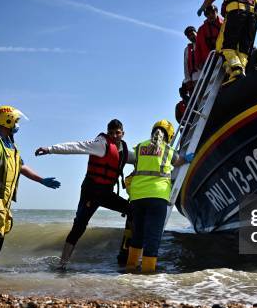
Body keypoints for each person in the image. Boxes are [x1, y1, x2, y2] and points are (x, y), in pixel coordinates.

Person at [0, 105, 61, 272]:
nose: (17, 124)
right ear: (7, 120)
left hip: (3, 197)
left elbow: (21, 167)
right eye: (16, 120)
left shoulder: (10, 143)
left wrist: (41, 180)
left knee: (0, 230)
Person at [35, 119, 135, 268]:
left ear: (123, 133)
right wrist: (50, 149)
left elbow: (139, 159)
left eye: (117, 133)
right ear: (108, 133)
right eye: (111, 133)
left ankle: (126, 253)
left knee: (132, 210)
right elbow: (76, 147)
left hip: (107, 193)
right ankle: (63, 264)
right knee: (79, 226)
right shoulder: (100, 144)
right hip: (91, 192)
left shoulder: (124, 150)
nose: (114, 135)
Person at [125, 120, 193, 273]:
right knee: (152, 238)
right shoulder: (168, 150)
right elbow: (178, 161)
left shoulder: (140, 146)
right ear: (169, 136)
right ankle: (148, 274)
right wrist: (187, 159)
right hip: (157, 196)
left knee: (137, 236)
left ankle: (130, 268)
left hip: (137, 196)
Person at [197, 0, 257, 84]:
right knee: (243, 50)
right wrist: (253, 23)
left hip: (236, 14)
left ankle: (236, 70)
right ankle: (238, 73)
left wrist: (202, 8)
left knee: (227, 46)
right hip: (252, 18)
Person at [195, 4, 224, 70]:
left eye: (212, 12)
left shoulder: (225, 24)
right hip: (209, 61)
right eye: (207, 13)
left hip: (225, 57)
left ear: (216, 12)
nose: (210, 15)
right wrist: (198, 62)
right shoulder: (201, 29)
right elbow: (198, 47)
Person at [183, 26, 199, 95]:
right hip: (195, 78)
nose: (191, 37)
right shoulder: (187, 50)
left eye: (192, 34)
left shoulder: (204, 42)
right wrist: (188, 80)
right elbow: (186, 66)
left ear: (196, 33)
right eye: (188, 36)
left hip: (207, 73)